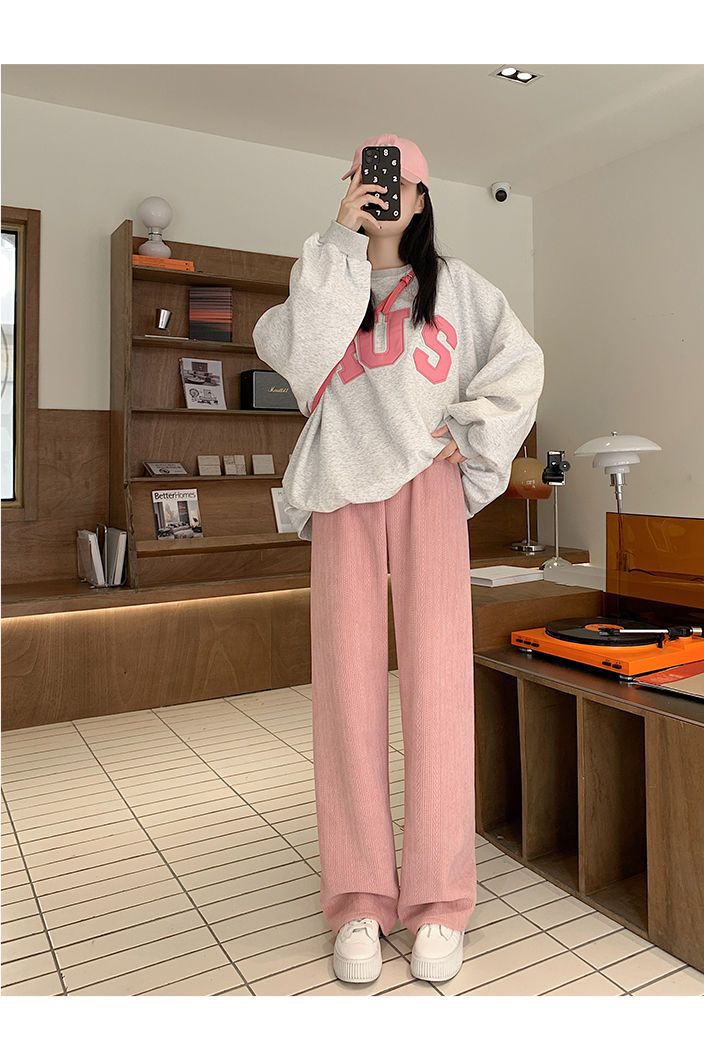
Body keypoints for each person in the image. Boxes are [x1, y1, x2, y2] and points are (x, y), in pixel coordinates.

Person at [252, 134, 544, 985]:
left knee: (440, 688)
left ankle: (441, 899)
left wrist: (474, 426)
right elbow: (296, 360)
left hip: (426, 485)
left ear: (421, 199)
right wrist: (338, 241)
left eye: (399, 183)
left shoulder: (459, 288)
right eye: (365, 179)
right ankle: (357, 897)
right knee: (345, 690)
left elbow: (522, 363)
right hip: (342, 486)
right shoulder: (324, 274)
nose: (382, 194)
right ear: (351, 187)